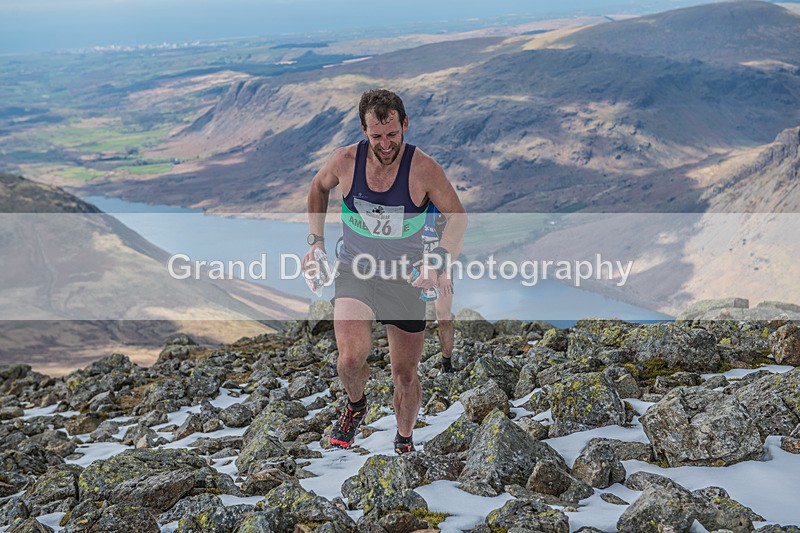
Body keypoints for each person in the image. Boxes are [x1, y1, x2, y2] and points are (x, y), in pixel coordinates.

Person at [304, 89, 466, 454]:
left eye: (393, 134)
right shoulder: (345, 161)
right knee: (349, 357)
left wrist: (437, 260)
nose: (386, 144)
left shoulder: (423, 169)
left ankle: (404, 438)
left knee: (405, 375)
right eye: (377, 136)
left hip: (406, 278)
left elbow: (458, 218)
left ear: (404, 124)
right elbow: (317, 187)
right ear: (364, 130)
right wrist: (316, 242)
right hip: (355, 270)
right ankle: (356, 404)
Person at [422, 203, 455, 373]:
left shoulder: (439, 207)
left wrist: (445, 273)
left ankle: (447, 363)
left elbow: (452, 242)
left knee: (444, 317)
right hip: (413, 267)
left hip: (440, 267)